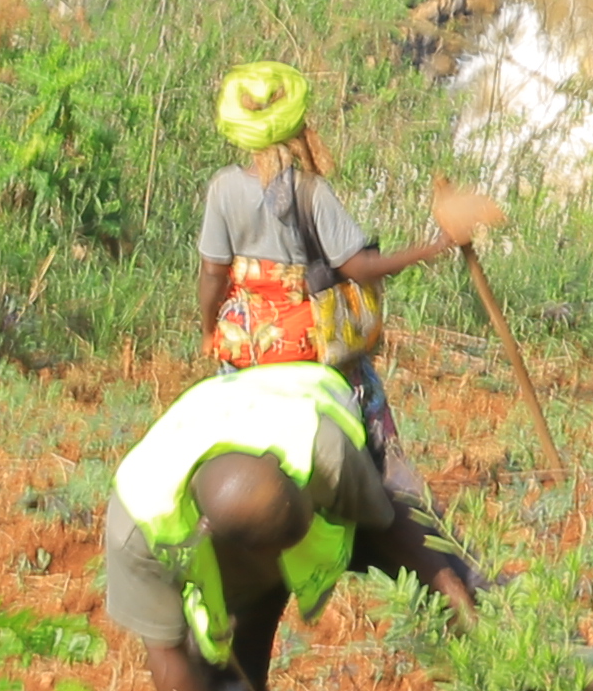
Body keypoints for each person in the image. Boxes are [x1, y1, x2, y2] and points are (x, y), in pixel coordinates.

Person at [102, 360, 483, 691]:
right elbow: (164, 656)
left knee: (461, 577)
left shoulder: (324, 451)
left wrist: (460, 600)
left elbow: (390, 521)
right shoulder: (138, 525)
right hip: (224, 536)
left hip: (306, 424)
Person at [194, 64, 495, 501]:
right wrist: (434, 246)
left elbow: (212, 274)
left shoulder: (222, 188)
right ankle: (396, 493)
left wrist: (209, 332)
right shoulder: (311, 192)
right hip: (312, 345)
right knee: (372, 415)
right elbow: (360, 269)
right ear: (298, 126)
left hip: (246, 346)